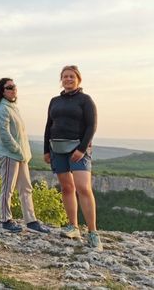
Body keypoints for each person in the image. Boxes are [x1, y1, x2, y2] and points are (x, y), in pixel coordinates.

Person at [44, 65, 102, 251]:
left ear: (78, 79)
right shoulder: (54, 101)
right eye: (65, 76)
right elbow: (49, 126)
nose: (68, 79)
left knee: (83, 188)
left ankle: (92, 233)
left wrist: (82, 149)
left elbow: (91, 126)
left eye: (71, 76)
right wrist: (46, 150)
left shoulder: (85, 100)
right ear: (61, 79)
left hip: (78, 148)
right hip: (57, 148)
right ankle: (73, 227)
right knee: (67, 188)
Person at [0, 78, 50, 234]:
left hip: (21, 156)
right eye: (9, 87)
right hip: (10, 154)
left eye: (14, 86)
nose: (13, 89)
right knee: (8, 188)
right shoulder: (2, 109)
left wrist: (23, 153)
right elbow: (5, 135)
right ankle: (6, 220)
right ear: (2, 91)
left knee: (26, 188)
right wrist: (18, 150)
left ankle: (31, 221)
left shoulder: (13, 108)